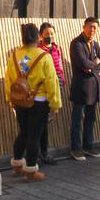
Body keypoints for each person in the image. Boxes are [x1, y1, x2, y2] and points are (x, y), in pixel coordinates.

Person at [5, 22, 61, 182]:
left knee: (23, 132)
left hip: (20, 101)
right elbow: (52, 82)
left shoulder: (15, 55)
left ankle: (17, 164)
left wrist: (10, 98)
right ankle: (30, 170)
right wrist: (55, 104)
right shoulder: (44, 56)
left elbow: (9, 80)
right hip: (39, 102)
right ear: (38, 36)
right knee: (34, 136)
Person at [68, 17, 100, 160]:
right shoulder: (76, 43)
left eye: (95, 27)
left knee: (91, 119)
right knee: (77, 119)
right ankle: (76, 148)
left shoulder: (95, 44)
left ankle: (88, 146)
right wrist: (94, 64)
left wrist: (93, 68)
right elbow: (82, 63)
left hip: (94, 86)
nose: (92, 30)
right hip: (81, 87)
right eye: (90, 26)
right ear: (84, 26)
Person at [37, 23, 65, 165]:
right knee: (40, 123)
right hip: (42, 89)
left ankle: (43, 152)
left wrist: (62, 81)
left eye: (52, 33)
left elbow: (59, 66)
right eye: (47, 34)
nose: (50, 36)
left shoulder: (56, 48)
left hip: (56, 84)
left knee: (46, 121)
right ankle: (40, 153)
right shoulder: (37, 49)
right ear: (41, 35)